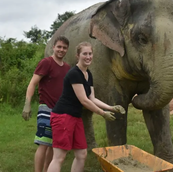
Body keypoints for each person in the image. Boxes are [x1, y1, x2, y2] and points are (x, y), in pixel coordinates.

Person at [47, 42, 125, 172]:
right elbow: (83, 100)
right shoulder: (74, 73)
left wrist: (111, 108)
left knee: (81, 154)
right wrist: (102, 113)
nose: (88, 57)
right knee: (59, 157)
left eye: (90, 54)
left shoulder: (88, 74)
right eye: (84, 54)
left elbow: (92, 98)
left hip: (76, 117)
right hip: (63, 116)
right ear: (78, 55)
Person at [22, 35, 71, 172]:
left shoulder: (67, 68)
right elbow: (32, 83)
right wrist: (27, 104)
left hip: (60, 111)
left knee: (53, 145)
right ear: (53, 47)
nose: (61, 50)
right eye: (59, 47)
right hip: (46, 108)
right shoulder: (46, 63)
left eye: (64, 48)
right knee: (43, 144)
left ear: (67, 50)